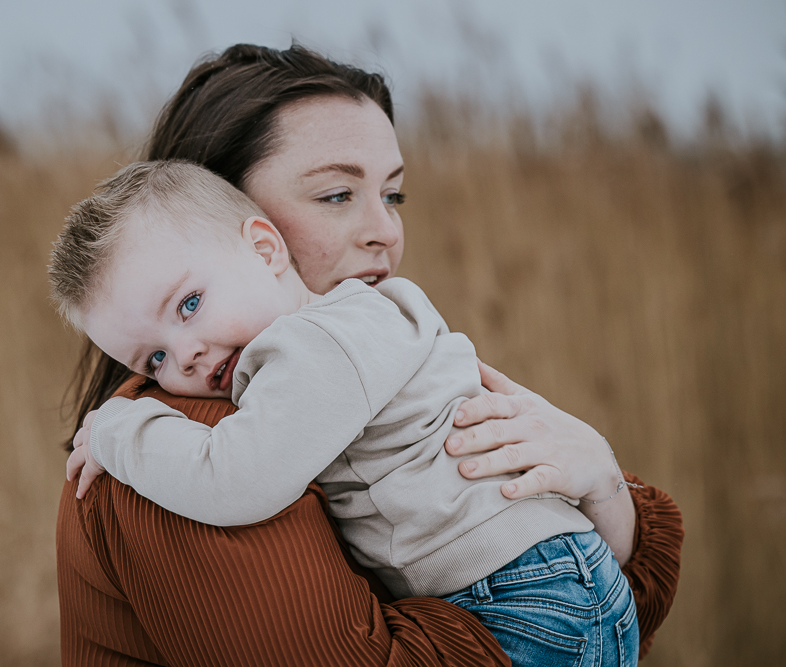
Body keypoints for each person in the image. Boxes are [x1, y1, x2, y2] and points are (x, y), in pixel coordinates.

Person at [55, 43, 683, 667]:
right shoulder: (169, 457)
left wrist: (602, 487)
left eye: (393, 195)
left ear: (262, 246)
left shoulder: (323, 350)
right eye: (336, 194)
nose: (386, 229)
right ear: (235, 204)